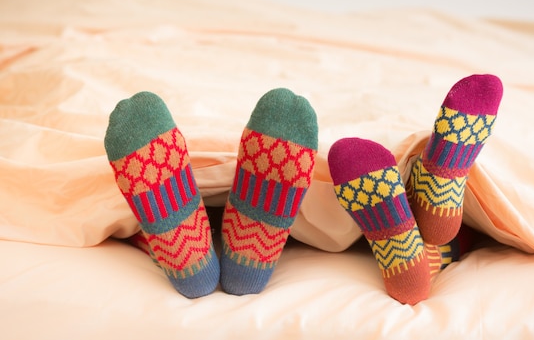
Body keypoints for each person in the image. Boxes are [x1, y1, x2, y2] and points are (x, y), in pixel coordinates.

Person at [103, 74, 502, 304]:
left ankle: (187, 248)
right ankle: (436, 197)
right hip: (360, 199)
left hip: (295, 197)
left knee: (133, 221)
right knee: (452, 234)